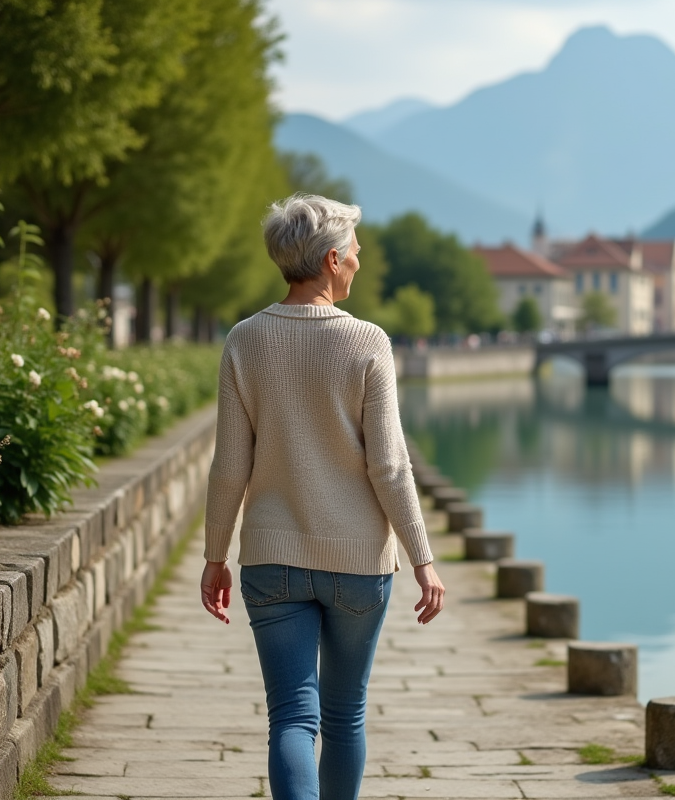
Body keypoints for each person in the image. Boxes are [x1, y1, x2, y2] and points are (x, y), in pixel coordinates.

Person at [198, 194, 444, 800]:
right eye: (355, 250)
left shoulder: (243, 341)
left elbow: (230, 464)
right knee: (344, 716)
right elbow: (389, 466)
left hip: (270, 560)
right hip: (359, 565)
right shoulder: (369, 344)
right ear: (332, 260)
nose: (360, 258)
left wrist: (214, 556)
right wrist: (422, 558)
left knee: (291, 718)